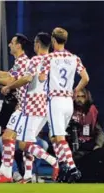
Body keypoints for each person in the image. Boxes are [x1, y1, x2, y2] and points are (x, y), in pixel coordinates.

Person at [0, 32, 59, 183]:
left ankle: (53, 161)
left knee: (22, 143)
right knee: (19, 140)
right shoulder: (53, 61)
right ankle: (25, 175)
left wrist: (9, 87)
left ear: (37, 44)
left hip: (32, 105)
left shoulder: (35, 60)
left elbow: (27, 78)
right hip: (44, 105)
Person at [39, 27, 90, 182]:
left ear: (54, 40)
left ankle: (72, 168)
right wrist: (76, 90)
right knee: (54, 136)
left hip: (55, 101)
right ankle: (64, 169)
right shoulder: (74, 58)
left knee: (59, 137)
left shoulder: (49, 58)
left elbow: (41, 78)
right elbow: (86, 78)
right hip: (68, 102)